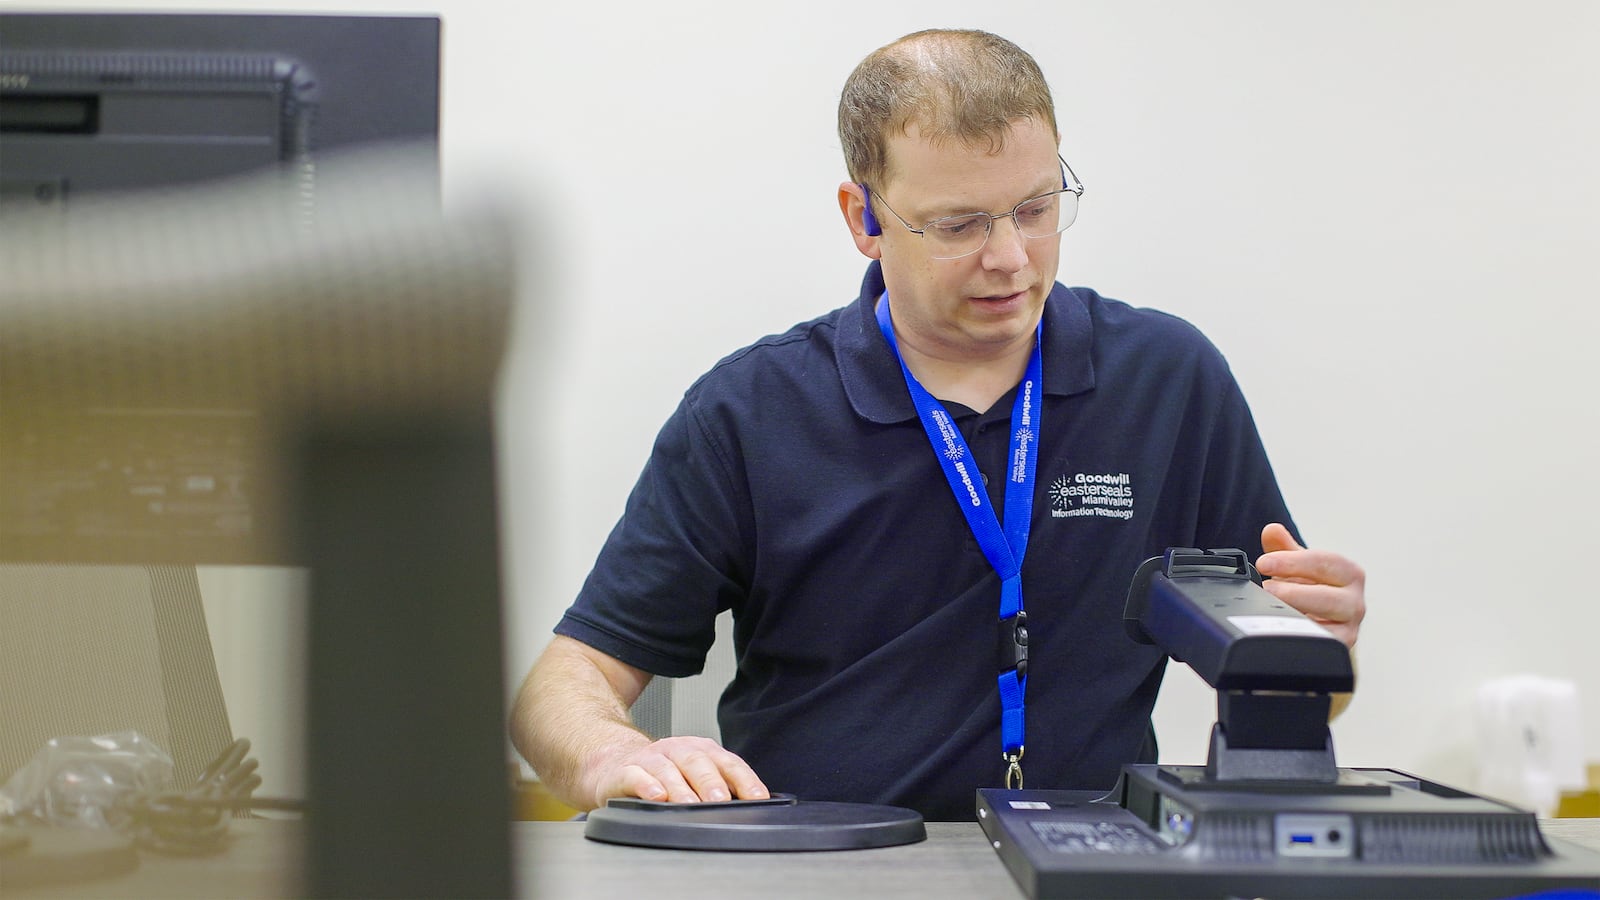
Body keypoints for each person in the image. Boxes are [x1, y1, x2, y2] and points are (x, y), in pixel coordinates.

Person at [510, 28, 1365, 822]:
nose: (1011, 257)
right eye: (959, 225)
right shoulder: (748, 412)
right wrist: (612, 753)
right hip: (823, 867)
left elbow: (1300, 696)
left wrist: (1314, 653)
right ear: (864, 219)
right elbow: (566, 680)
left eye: (1035, 208)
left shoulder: (1169, 379)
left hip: (1086, 864)